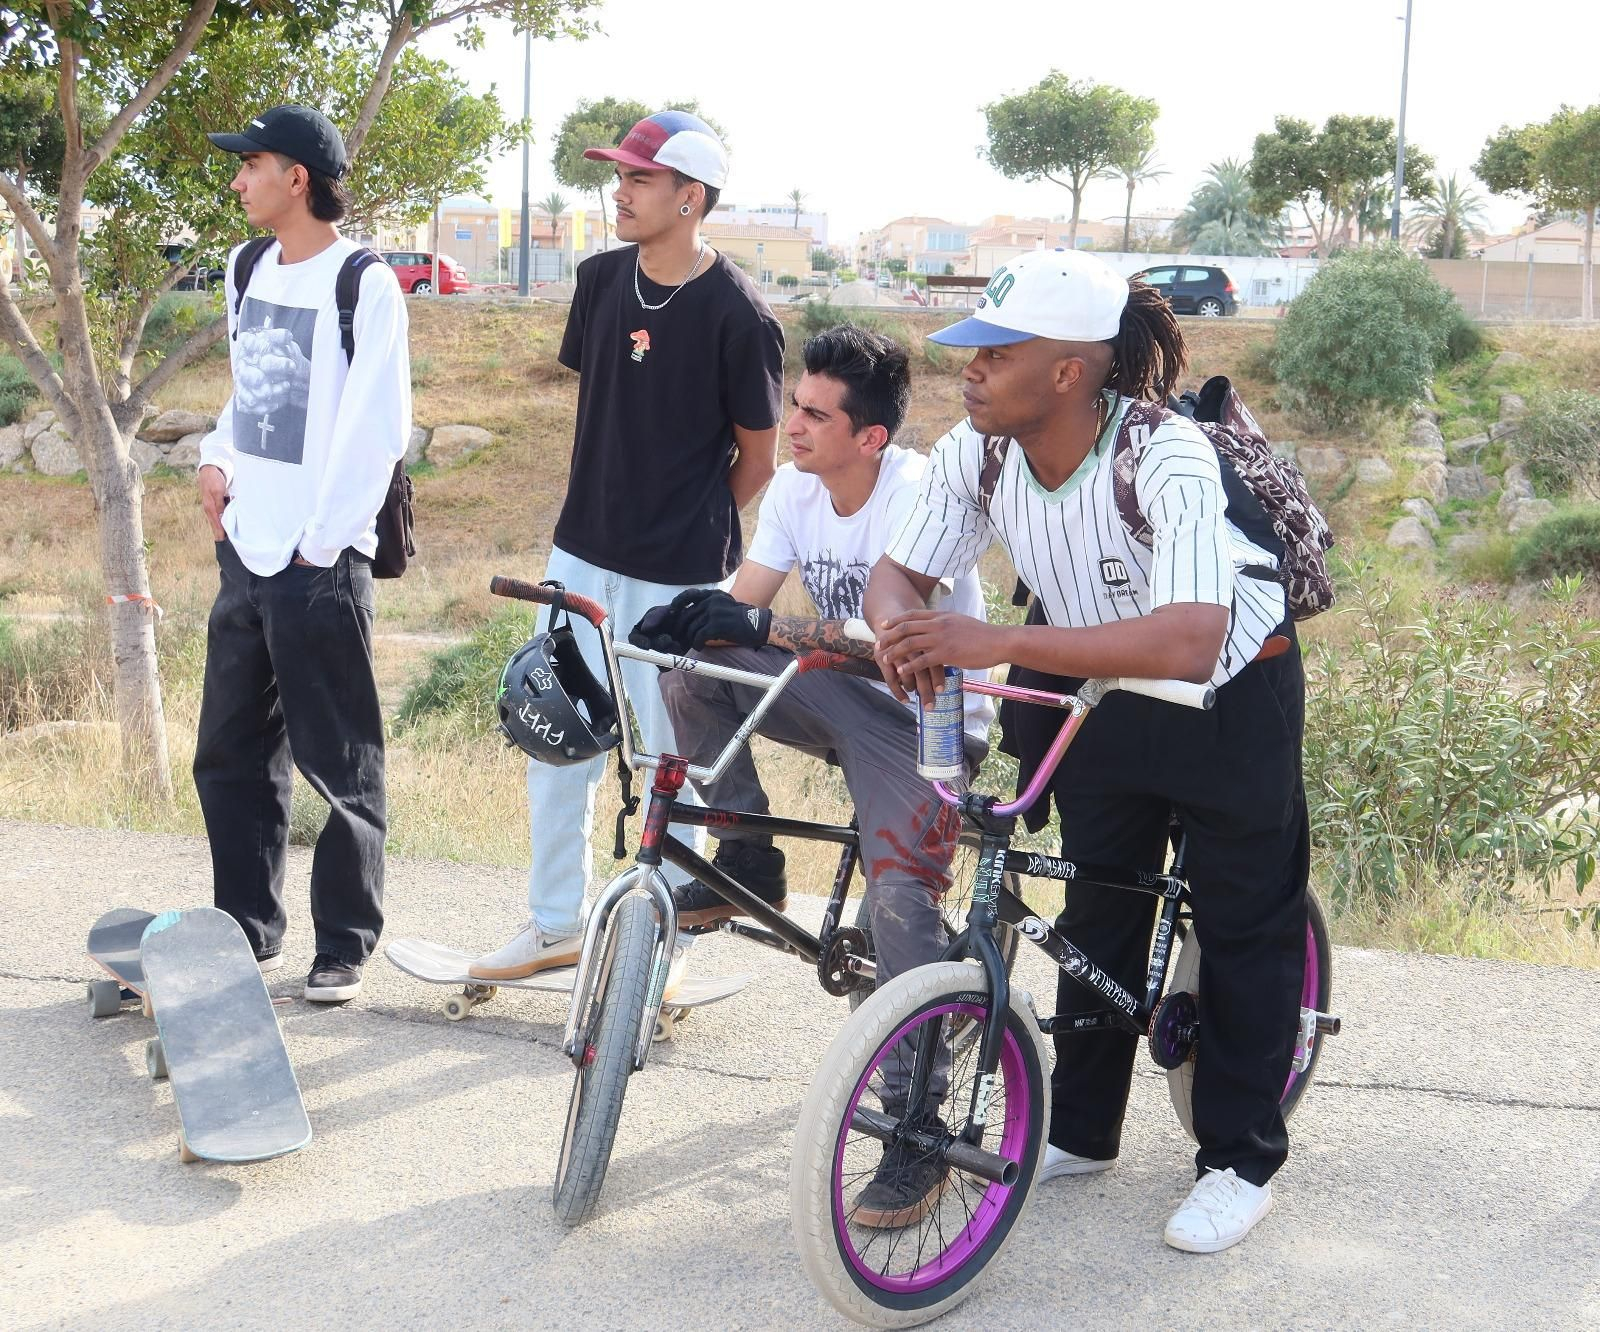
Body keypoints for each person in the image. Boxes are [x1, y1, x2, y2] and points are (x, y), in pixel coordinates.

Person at [865, 249, 1308, 1254]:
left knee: (1242, 924)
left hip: (1226, 691)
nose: (966, 369)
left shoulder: (1165, 454)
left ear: (1068, 371)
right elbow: (897, 575)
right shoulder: (974, 451)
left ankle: (1237, 1163)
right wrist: (900, 630)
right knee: (1099, 895)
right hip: (1095, 685)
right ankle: (1079, 1130)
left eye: (993, 350)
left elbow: (1190, 636)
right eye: (967, 349)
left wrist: (999, 641)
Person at [630, 323, 993, 1227]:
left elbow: (899, 654)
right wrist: (697, 623)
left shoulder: (916, 496)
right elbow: (745, 610)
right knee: (692, 670)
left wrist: (759, 631)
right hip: (832, 698)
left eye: (815, 414)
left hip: (930, 719)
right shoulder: (795, 487)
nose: (791, 425)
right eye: (793, 404)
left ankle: (920, 1124)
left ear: (870, 437)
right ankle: (746, 849)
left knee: (901, 904)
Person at [471, 110, 785, 981]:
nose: (620, 191)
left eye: (640, 179)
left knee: (665, 758)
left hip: (678, 574)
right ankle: (552, 925)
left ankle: (661, 945)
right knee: (554, 730)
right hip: (581, 551)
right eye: (620, 177)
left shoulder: (739, 315)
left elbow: (758, 458)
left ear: (692, 198)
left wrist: (684, 528)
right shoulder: (602, 279)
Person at [193, 105, 411, 1002]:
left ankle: (344, 946)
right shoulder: (247, 267)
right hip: (246, 549)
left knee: (340, 761)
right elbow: (253, 394)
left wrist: (321, 545)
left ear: (299, 179)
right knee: (230, 754)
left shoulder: (364, 282)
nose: (238, 179)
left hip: (318, 559)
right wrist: (215, 454)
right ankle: (246, 930)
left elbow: (377, 429)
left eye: (253, 165)